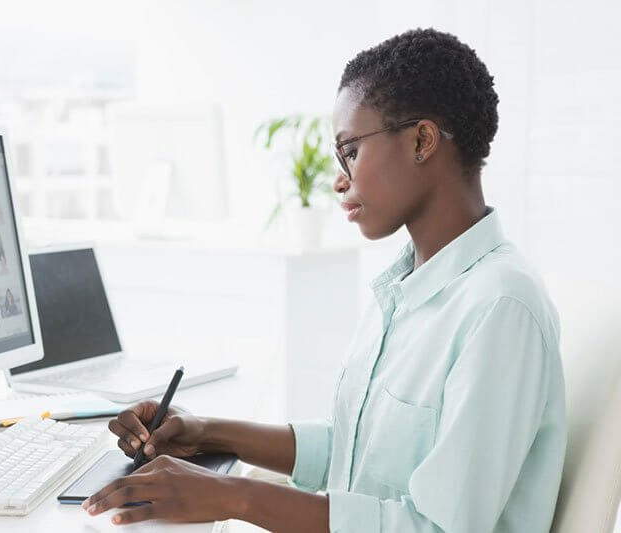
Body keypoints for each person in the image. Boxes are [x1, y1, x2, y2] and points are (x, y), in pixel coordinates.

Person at [85, 29, 566, 532]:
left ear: (421, 140)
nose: (340, 178)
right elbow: (354, 451)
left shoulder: (500, 307)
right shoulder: (406, 288)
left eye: (350, 151)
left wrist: (234, 497)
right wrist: (206, 432)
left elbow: (439, 528)